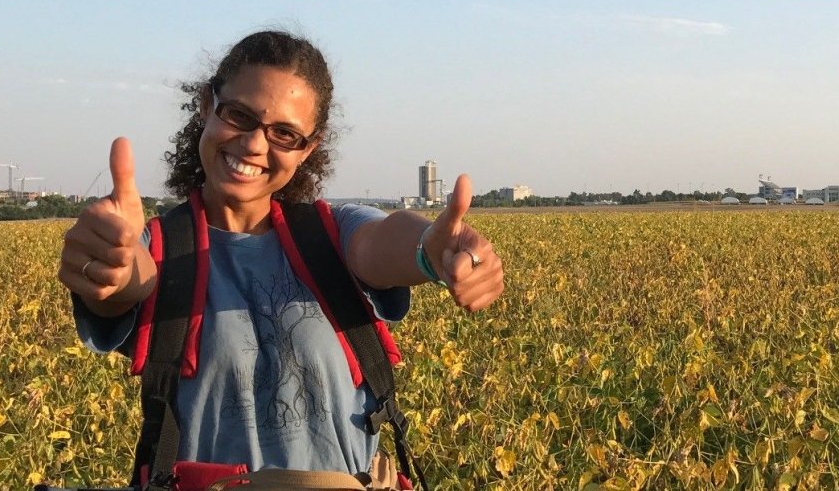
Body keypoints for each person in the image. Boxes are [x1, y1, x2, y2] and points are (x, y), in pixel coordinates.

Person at [57, 30, 505, 482]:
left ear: (308, 148)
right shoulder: (161, 248)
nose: (254, 144)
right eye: (238, 115)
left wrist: (430, 251)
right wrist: (111, 265)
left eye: (284, 134)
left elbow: (385, 241)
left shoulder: (330, 235)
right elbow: (133, 275)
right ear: (206, 107)